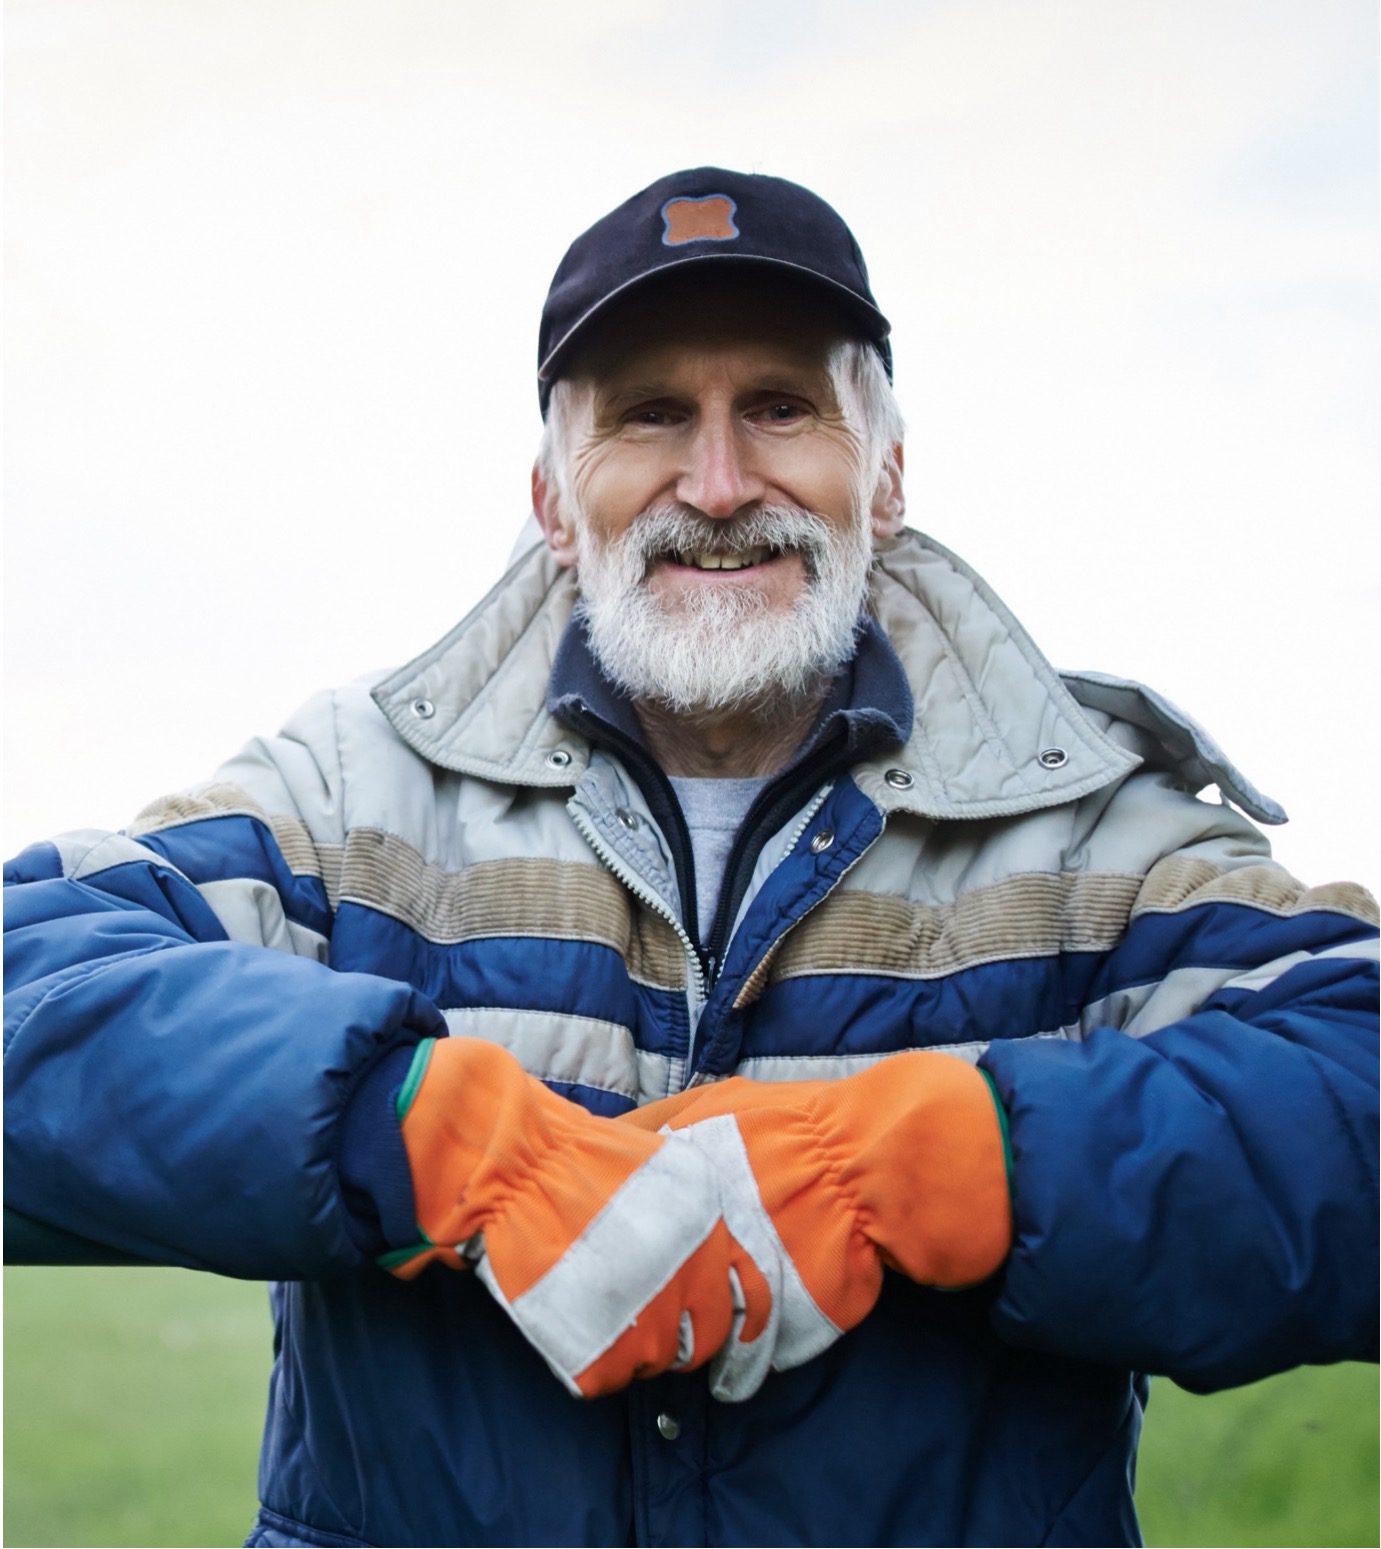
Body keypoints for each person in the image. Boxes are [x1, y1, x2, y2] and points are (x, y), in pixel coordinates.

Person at [4, 166, 1376, 1549]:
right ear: (553, 499)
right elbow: (28, 988)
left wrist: (946, 1164)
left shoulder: (1089, 818)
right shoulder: (353, 790)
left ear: (883, 476)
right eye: (651, 414)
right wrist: (416, 1129)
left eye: (779, 407)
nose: (717, 485)